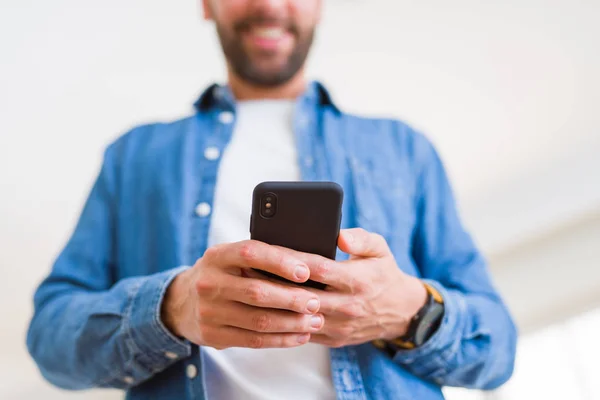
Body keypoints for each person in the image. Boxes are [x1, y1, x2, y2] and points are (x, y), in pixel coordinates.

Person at [26, 1, 518, 399]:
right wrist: (171, 309)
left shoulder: (403, 147)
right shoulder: (134, 156)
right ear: (206, 5)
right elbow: (49, 338)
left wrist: (409, 311)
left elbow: (497, 349)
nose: (267, 5)